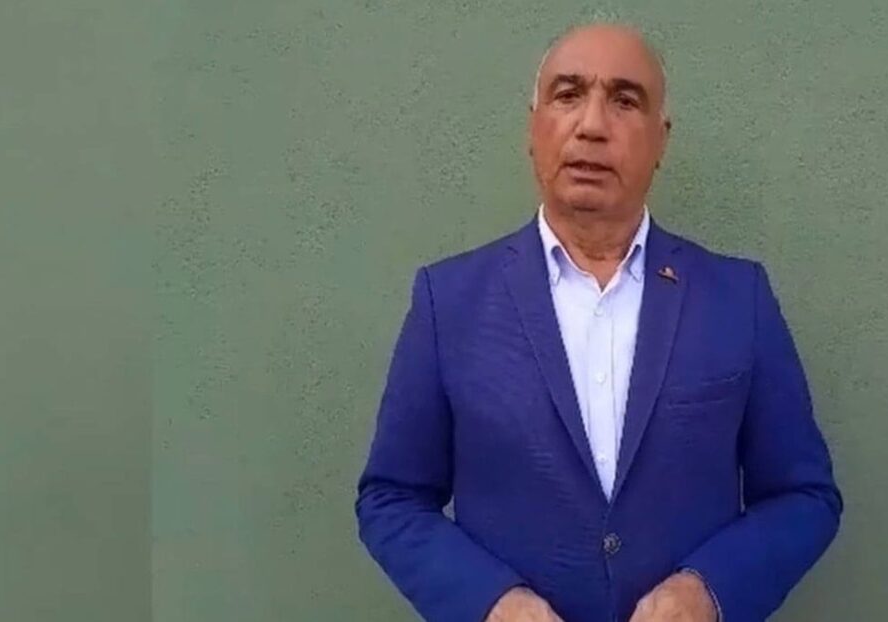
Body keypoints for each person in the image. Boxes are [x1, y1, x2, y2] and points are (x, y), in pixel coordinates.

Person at [355, 21, 842, 622]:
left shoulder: (739, 299)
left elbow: (803, 497)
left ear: (661, 140)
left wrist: (708, 591)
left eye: (624, 100)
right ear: (533, 127)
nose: (591, 124)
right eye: (567, 94)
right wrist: (489, 603)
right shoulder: (448, 301)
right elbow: (392, 498)